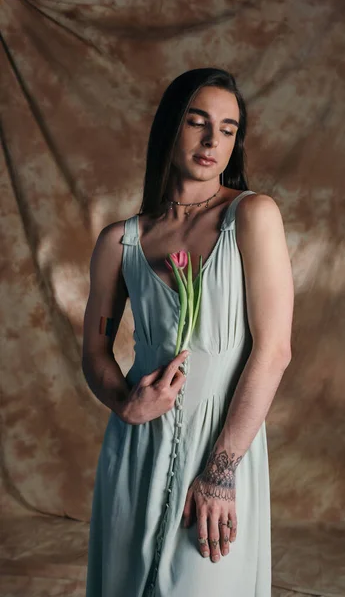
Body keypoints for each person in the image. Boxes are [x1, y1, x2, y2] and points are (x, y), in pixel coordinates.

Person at [82, 67, 293, 597]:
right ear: (170, 128)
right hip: (135, 449)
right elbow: (94, 351)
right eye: (198, 123)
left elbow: (273, 352)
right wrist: (123, 402)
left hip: (220, 447)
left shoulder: (252, 216)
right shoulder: (119, 242)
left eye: (227, 129)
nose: (211, 141)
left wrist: (220, 471)